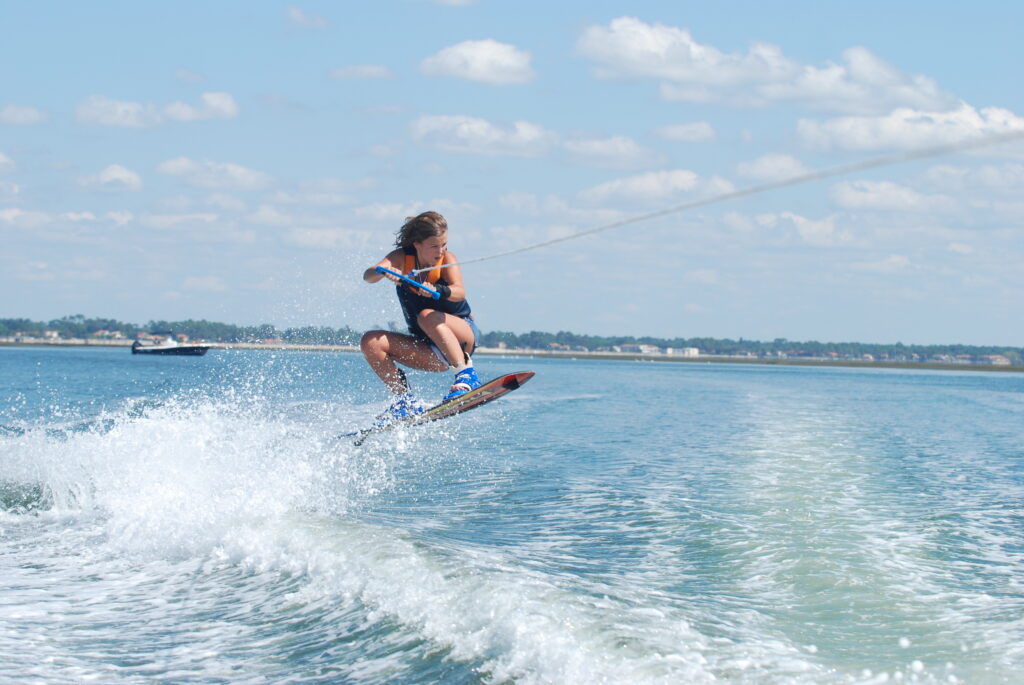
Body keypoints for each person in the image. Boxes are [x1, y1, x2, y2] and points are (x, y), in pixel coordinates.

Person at [361, 211, 481, 424]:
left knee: (427, 316)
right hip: (429, 349)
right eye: (434, 246)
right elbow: (368, 276)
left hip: (461, 336)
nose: (440, 250)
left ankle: (466, 375)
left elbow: (460, 291)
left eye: (444, 244)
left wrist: (438, 290)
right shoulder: (402, 257)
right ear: (417, 244)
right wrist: (382, 271)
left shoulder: (447, 260)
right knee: (370, 341)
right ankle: (403, 400)